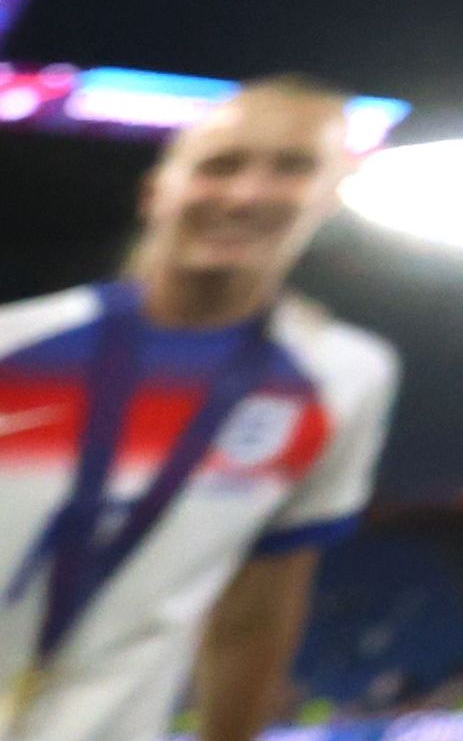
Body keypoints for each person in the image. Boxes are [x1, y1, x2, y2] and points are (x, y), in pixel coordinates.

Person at [0, 79, 396, 741]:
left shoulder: (345, 376)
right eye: (220, 165)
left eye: (292, 167)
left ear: (331, 196)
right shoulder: (16, 344)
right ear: (156, 191)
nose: (246, 194)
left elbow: (256, 613)